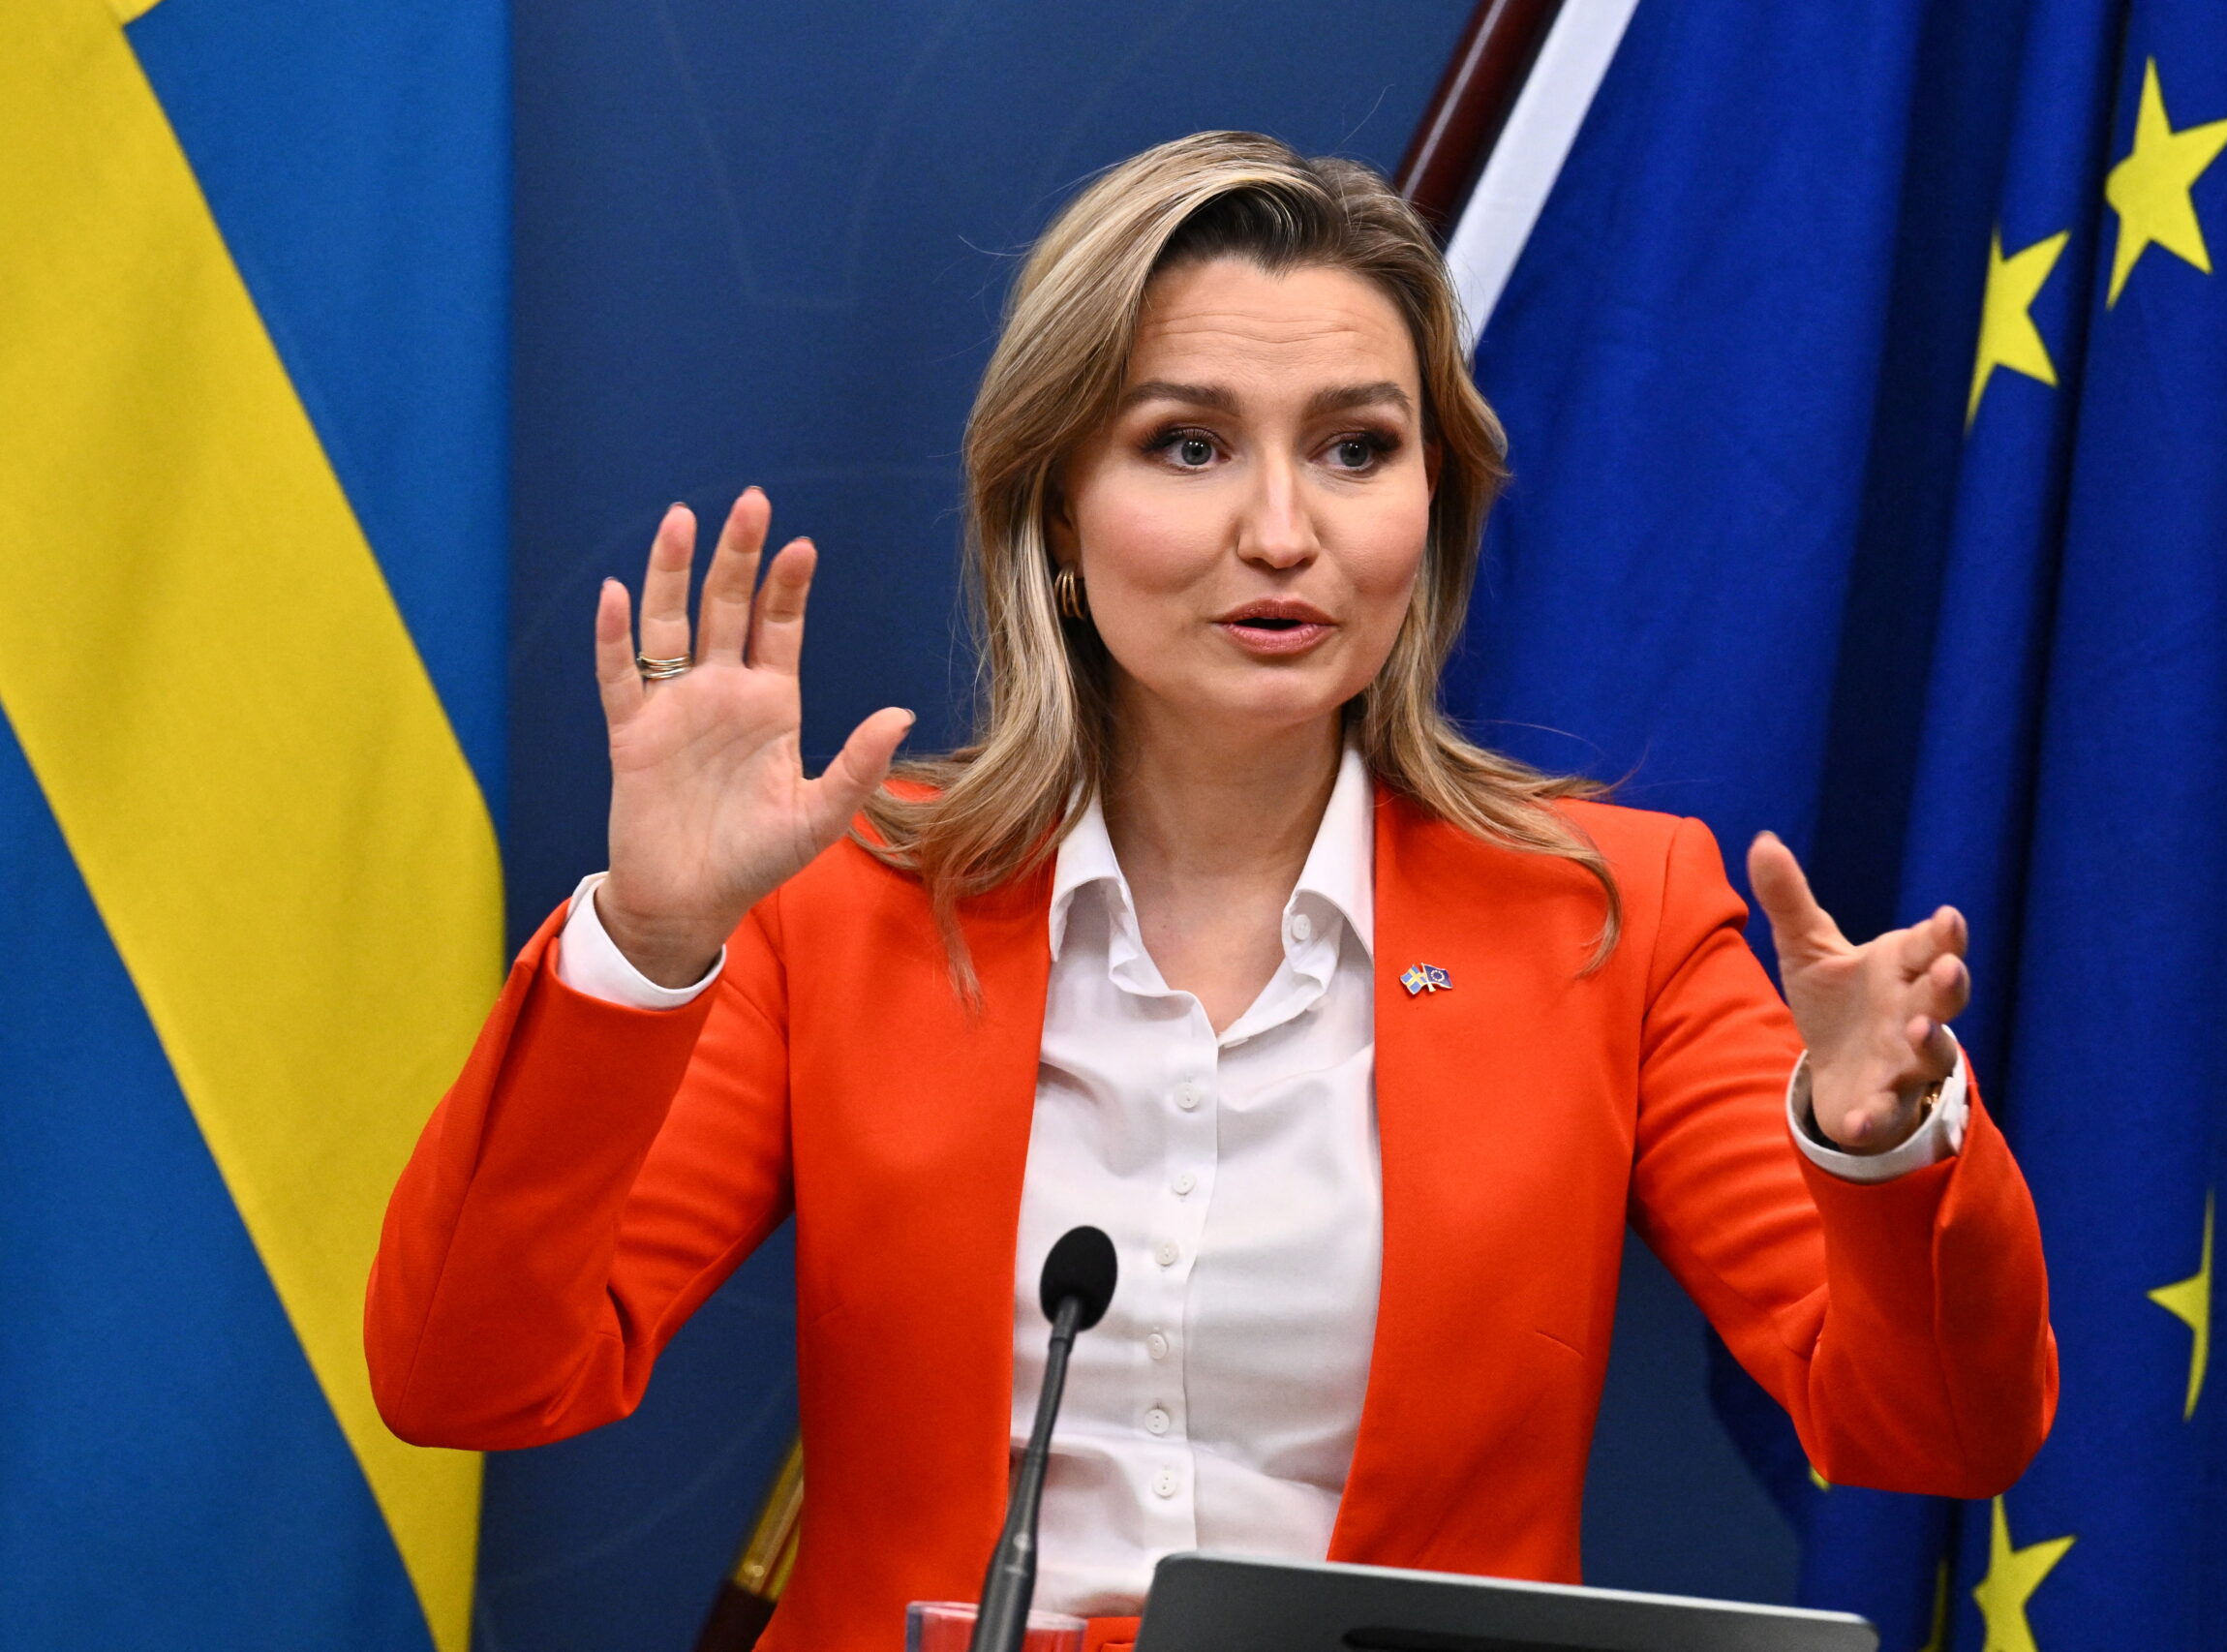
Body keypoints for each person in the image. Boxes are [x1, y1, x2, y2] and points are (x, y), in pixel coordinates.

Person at [365, 132, 2055, 1652]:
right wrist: (649, 944)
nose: (1281, 529)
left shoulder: (1614, 915)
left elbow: (1936, 1434)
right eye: (1187, 445)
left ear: (1432, 507)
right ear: (1053, 510)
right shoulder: (846, 902)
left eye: (1355, 448)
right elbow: (469, 1378)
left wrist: (1877, 1146)